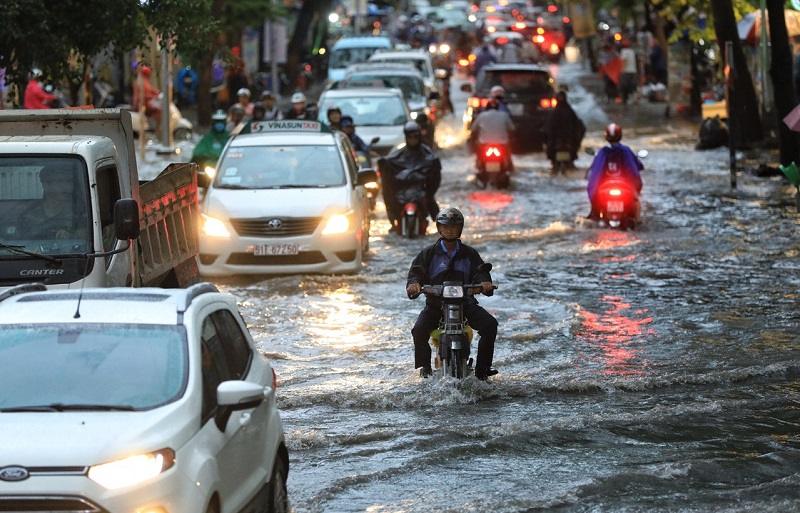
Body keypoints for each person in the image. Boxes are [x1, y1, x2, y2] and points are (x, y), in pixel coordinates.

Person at [406, 207, 498, 380]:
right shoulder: (428, 254)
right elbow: (416, 273)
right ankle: (425, 367)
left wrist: (485, 283)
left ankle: (483, 369)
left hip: (466, 303)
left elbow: (480, 271)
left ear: (460, 229)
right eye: (446, 227)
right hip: (435, 305)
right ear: (439, 228)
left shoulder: (470, 254)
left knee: (490, 325)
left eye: (454, 227)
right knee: (418, 330)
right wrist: (414, 284)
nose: (450, 230)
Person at [380, 121, 441, 232]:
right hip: (401, 192)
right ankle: (394, 222)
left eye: (415, 137)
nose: (413, 140)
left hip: (421, 191)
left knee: (431, 204)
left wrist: (428, 190)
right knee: (390, 201)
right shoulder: (398, 154)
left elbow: (435, 176)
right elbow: (388, 169)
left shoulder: (428, 154)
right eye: (410, 137)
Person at [586, 123, 643, 219]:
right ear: (620, 135)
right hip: (624, 186)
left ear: (606, 136)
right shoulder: (626, 150)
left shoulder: (603, 152)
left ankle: (594, 216)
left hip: (605, 187)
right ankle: (637, 220)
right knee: (636, 199)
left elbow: (595, 172)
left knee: (595, 205)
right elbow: (634, 169)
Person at [20, 164, 88, 240]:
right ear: (46, 185)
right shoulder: (29, 215)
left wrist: (72, 234)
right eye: (60, 181)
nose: (66, 187)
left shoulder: (79, 211)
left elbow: (88, 235)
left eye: (69, 181)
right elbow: (22, 242)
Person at [544, 90, 585, 168]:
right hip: (562, 144)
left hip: (565, 143)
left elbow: (547, 129)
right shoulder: (569, 112)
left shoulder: (554, 113)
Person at [469, 98, 514, 169]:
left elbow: (473, 129)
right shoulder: (504, 115)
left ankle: (479, 165)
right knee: (508, 156)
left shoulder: (481, 115)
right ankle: (508, 166)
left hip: (484, 143)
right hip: (502, 144)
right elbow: (512, 128)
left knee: (479, 157)